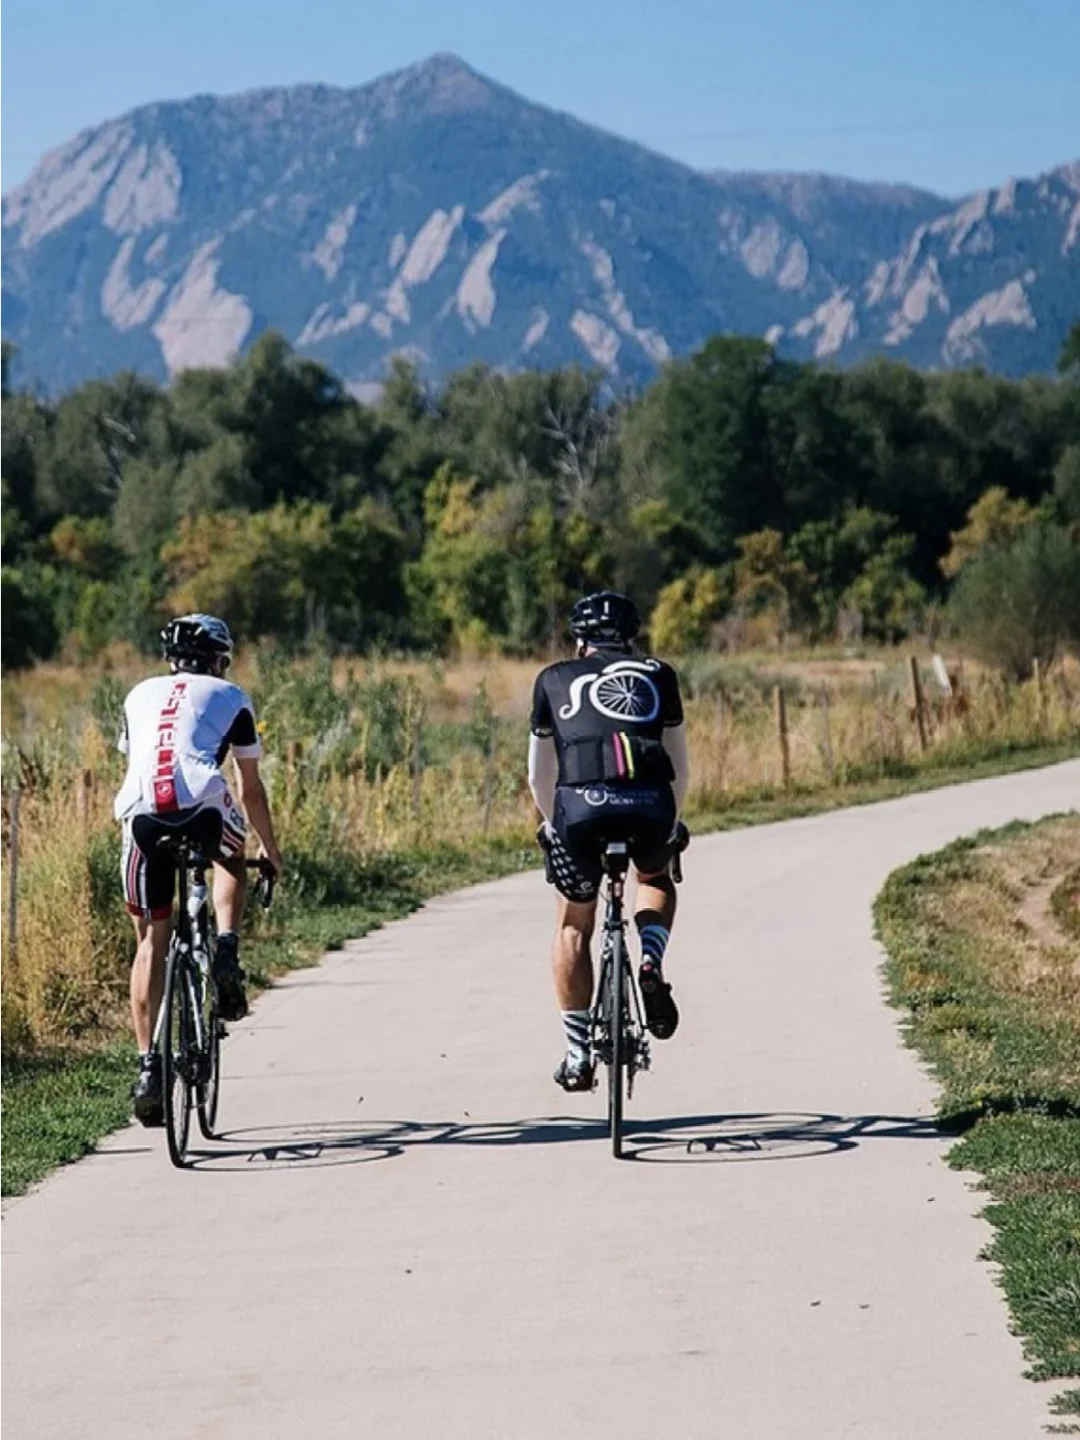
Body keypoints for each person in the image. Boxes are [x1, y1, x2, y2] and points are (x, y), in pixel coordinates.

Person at [114, 613, 283, 1126]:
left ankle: (148, 1067)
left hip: (140, 812)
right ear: (218, 659)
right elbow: (249, 787)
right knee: (231, 855)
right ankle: (226, 948)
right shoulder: (232, 697)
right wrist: (271, 851)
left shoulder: (137, 694)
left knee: (150, 943)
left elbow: (138, 756)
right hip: (204, 803)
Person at [528, 590, 689, 1092]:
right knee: (654, 876)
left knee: (574, 923)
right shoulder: (659, 675)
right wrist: (673, 822)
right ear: (633, 637)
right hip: (649, 805)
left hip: (579, 809)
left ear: (579, 640)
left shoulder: (552, 678)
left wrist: (551, 825)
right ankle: (649, 961)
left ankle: (578, 1052)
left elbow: (539, 774)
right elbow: (678, 768)